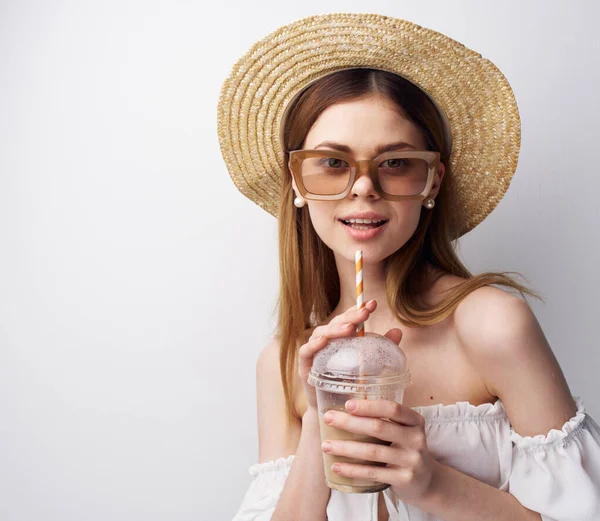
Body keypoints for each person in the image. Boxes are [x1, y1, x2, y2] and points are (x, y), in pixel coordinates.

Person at [217, 13, 600, 521]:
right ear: (297, 182)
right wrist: (319, 415)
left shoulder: (491, 325)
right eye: (333, 163)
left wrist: (432, 483)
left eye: (395, 163)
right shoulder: (283, 362)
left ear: (433, 182)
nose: (363, 187)